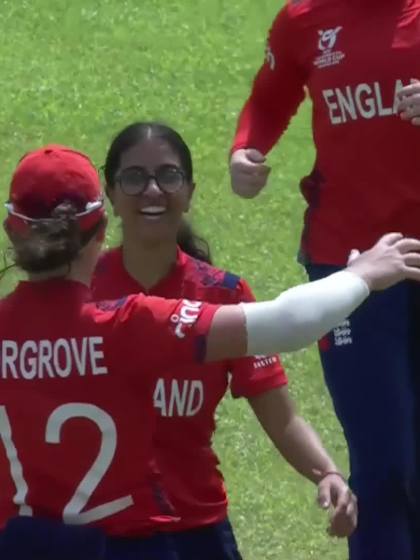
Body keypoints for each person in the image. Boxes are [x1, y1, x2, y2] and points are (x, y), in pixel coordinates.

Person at [0, 145, 418, 560]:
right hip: (128, 547)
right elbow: (288, 323)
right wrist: (362, 273)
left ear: (11, 231)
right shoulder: (128, 324)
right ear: (102, 227)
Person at [92, 121, 357, 560]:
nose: (152, 190)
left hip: (195, 529)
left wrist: (327, 473)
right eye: (134, 178)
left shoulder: (224, 297)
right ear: (112, 196)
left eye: (169, 176)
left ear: (191, 191)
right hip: (101, 532)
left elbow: (280, 414)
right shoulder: (81, 293)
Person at [229, 1, 420, 559]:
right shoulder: (304, 20)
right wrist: (246, 150)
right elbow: (270, 95)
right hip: (349, 265)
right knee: (384, 465)